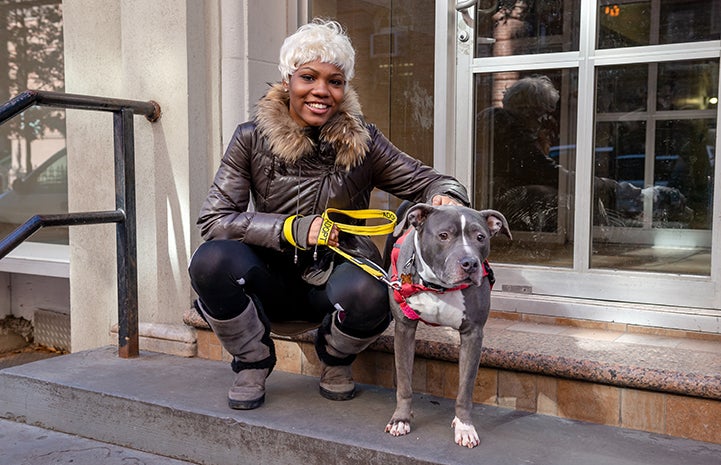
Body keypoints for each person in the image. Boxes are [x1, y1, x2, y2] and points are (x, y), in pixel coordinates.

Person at [188, 18, 469, 410]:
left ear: (344, 88)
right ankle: (252, 360)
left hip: (337, 280)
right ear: (288, 81)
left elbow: (429, 180)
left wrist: (446, 196)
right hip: (269, 279)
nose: (321, 91)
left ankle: (334, 359)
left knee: (373, 291)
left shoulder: (365, 143)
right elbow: (214, 220)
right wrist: (291, 228)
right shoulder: (250, 138)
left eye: (334, 81)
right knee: (210, 261)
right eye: (308, 77)